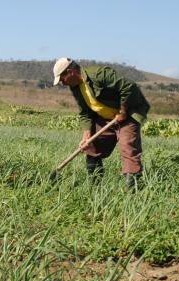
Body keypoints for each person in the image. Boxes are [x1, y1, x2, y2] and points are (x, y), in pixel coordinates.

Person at [53, 58, 150, 188]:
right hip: (105, 118)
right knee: (92, 147)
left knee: (128, 147)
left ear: (70, 72)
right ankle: (95, 188)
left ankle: (133, 190)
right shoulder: (75, 87)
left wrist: (122, 110)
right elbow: (85, 112)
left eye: (62, 79)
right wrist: (86, 136)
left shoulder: (99, 74)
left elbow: (128, 86)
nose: (62, 83)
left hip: (128, 115)